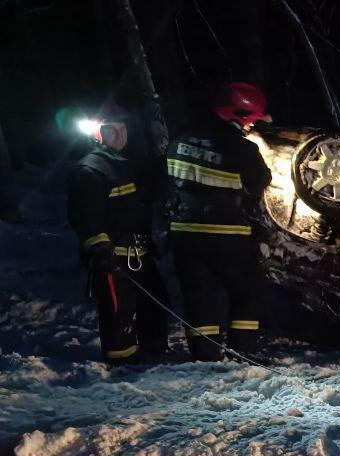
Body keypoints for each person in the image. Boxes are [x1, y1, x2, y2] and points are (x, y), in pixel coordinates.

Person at [165, 82, 272, 361]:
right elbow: (260, 182)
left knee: (200, 296)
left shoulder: (178, 141)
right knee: (247, 291)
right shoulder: (242, 149)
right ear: (241, 116)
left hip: (183, 234)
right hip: (226, 234)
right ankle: (244, 352)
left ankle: (205, 357)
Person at [66, 105, 170, 363]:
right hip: (113, 256)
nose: (122, 135)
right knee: (118, 312)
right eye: (115, 130)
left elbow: (147, 196)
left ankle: (154, 354)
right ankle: (122, 366)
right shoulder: (90, 170)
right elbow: (85, 218)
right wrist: (101, 252)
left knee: (156, 303)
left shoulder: (128, 164)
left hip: (140, 253)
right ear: (99, 133)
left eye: (124, 129)